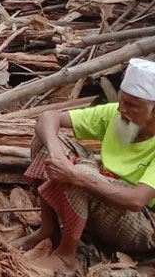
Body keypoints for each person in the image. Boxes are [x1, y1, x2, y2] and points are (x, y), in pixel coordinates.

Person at [14, 59, 155, 273]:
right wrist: (56, 153)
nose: (121, 109)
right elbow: (48, 117)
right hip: (106, 190)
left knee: (80, 172)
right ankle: (48, 230)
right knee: (45, 141)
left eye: (132, 105)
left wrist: (75, 175)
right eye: (121, 100)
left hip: (144, 223)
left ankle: (66, 257)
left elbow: (137, 200)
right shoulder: (116, 114)